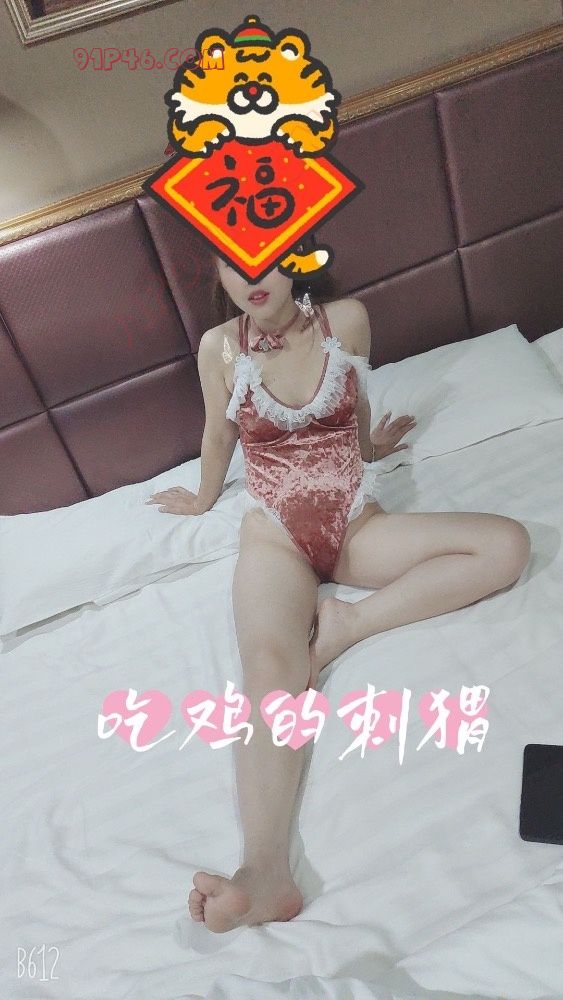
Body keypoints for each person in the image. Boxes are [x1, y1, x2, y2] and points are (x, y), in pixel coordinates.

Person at [145, 252, 531, 934]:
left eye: (267, 258)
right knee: (270, 669)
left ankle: (350, 625)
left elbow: (355, 400)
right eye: (234, 264)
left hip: (352, 521)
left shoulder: (344, 320)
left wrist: (371, 449)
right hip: (274, 534)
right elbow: (217, 431)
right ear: (219, 276)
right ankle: (265, 872)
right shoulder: (219, 348)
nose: (252, 277)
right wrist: (203, 497)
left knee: (506, 544)